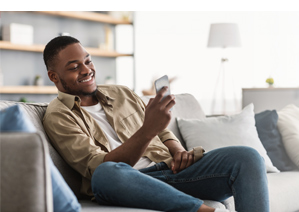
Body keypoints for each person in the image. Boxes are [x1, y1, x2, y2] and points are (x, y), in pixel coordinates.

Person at [42, 36, 269, 212]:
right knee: (105, 173)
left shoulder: (121, 93)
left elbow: (160, 130)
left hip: (171, 171)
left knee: (247, 157)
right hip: (126, 183)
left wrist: (178, 150)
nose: (86, 70)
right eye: (74, 67)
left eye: (88, 61)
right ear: (54, 76)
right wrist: (148, 129)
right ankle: (200, 209)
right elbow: (95, 168)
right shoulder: (58, 115)